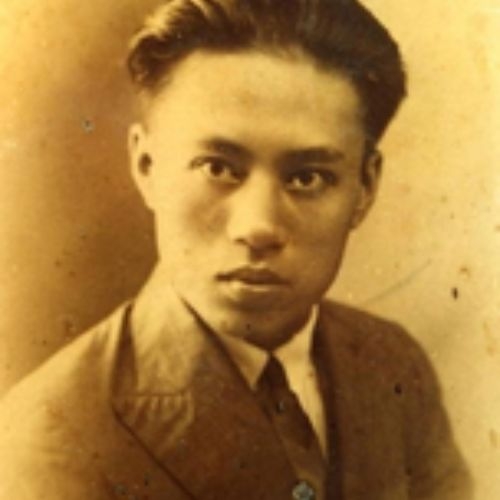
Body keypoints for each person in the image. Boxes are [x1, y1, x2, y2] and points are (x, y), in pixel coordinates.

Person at [0, 0, 473, 498]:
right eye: (218, 168)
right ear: (147, 166)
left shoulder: (394, 366)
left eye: (307, 178)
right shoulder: (49, 439)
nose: (258, 227)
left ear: (365, 187)